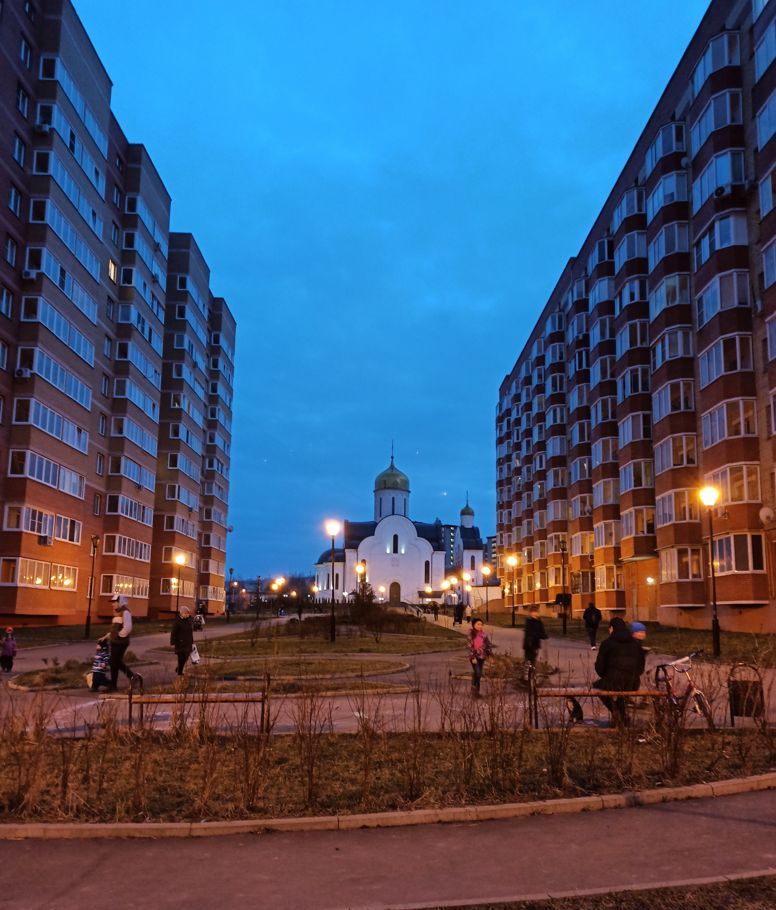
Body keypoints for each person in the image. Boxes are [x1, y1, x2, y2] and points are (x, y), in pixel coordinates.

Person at [593, 617, 645, 726]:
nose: (608, 631)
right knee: (621, 691)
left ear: (612, 628)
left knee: (598, 687)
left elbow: (600, 667)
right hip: (633, 683)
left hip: (613, 682)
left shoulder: (607, 643)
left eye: (609, 628)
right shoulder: (636, 644)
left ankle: (616, 712)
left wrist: (606, 675)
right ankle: (622, 715)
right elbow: (641, 667)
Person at [101, 594, 142, 692]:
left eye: (114, 602)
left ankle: (130, 677)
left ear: (120, 602)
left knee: (114, 661)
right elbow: (114, 629)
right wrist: (106, 636)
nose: (112, 605)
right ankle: (115, 684)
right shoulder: (116, 613)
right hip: (115, 641)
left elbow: (127, 628)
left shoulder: (125, 612)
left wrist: (118, 635)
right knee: (114, 662)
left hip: (121, 642)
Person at [466, 618, 493, 696]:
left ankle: (476, 690)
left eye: (481, 624)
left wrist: (490, 655)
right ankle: (474, 688)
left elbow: (488, 645)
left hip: (482, 656)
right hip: (474, 657)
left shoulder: (483, 635)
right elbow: (469, 646)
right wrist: (473, 657)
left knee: (479, 673)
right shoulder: (470, 634)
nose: (480, 626)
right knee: (477, 673)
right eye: (478, 624)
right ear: (473, 625)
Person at [170, 605, 195, 676]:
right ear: (182, 613)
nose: (188, 614)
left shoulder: (189, 620)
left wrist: (192, 642)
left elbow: (190, 631)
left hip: (188, 642)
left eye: (188, 613)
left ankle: (178, 668)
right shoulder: (177, 621)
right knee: (181, 658)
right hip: (180, 643)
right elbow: (173, 632)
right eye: (186, 613)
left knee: (186, 657)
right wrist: (173, 643)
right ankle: (179, 673)